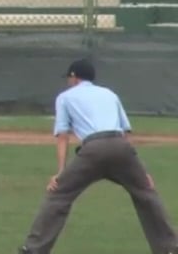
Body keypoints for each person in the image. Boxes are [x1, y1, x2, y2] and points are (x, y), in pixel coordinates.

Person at [18, 59, 178, 254]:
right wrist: (141, 171)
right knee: (146, 195)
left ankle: (34, 250)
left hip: (93, 149)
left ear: (74, 77)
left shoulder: (65, 97)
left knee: (59, 195)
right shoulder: (109, 94)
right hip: (120, 147)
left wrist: (60, 172)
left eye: (69, 78)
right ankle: (170, 248)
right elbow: (125, 133)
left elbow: (62, 135)